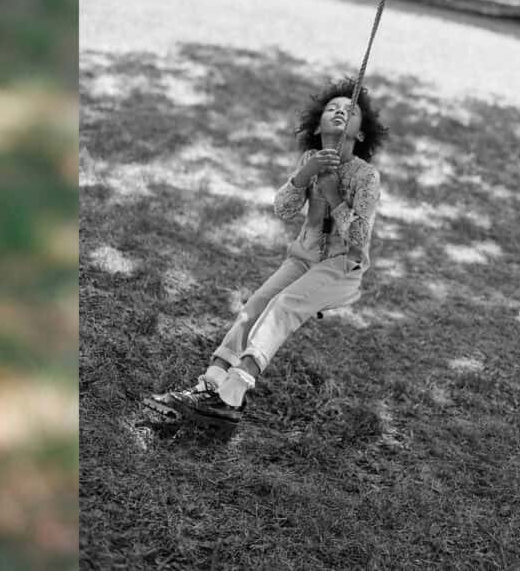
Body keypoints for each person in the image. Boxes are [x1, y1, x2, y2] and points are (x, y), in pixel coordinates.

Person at [144, 78, 387, 429]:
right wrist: (304, 175)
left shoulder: (367, 176)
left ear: (360, 135)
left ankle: (233, 393)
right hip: (302, 258)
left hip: (342, 267)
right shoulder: (310, 159)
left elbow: (359, 237)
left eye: (350, 111)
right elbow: (283, 210)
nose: (339, 111)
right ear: (317, 126)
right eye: (332, 108)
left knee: (284, 305)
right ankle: (210, 383)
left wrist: (334, 195)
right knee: (254, 306)